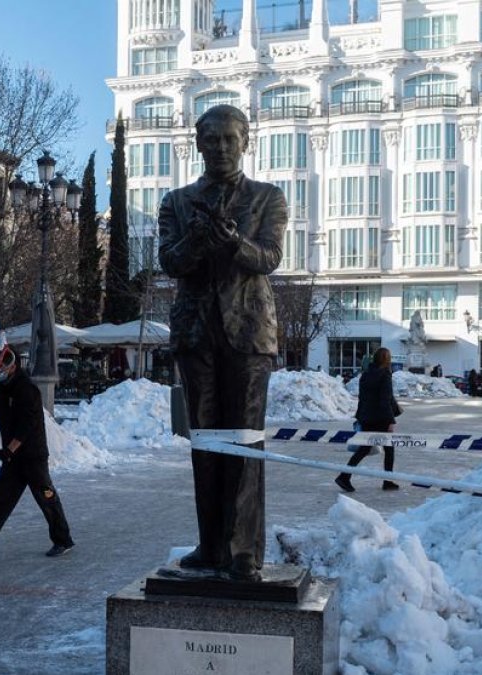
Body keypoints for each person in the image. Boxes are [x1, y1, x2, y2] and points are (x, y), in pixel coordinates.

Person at [158, 104, 287, 582]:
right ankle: (211, 546)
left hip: (249, 334)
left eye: (230, 139)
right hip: (196, 335)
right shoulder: (176, 202)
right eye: (211, 139)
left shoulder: (267, 197)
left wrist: (234, 242)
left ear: (245, 142)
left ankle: (243, 551)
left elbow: (269, 258)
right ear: (198, 144)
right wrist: (195, 240)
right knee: (206, 443)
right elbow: (169, 262)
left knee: (246, 443)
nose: (221, 148)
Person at [0, 347, 75, 560]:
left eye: (1, 366)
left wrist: (9, 449)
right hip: (12, 458)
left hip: (32, 456)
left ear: (13, 366)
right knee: (2, 500)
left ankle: (63, 540)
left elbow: (27, 425)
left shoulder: (26, 389)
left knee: (46, 497)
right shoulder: (2, 388)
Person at [335, 347, 402, 492]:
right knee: (389, 449)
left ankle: (344, 476)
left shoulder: (365, 374)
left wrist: (360, 416)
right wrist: (391, 421)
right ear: (387, 360)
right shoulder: (385, 375)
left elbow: (362, 398)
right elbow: (385, 400)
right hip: (381, 418)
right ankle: (387, 481)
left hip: (366, 417)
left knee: (364, 448)